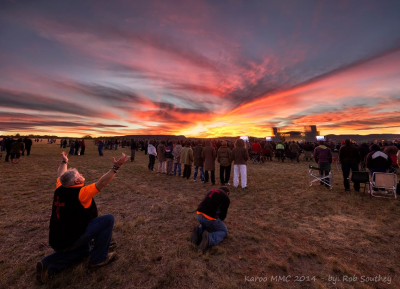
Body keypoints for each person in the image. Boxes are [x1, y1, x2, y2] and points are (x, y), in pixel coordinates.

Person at [36, 151, 129, 284]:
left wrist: (64, 162)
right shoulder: (81, 192)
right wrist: (115, 167)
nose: (82, 175)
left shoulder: (60, 187)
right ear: (76, 181)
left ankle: (47, 264)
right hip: (71, 238)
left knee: (85, 250)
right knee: (108, 219)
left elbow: (61, 174)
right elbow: (101, 183)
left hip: (57, 240)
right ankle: (99, 259)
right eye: (79, 174)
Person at [191, 186, 230, 252]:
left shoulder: (211, 191)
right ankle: (210, 239)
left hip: (198, 215)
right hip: (209, 219)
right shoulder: (226, 197)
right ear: (227, 193)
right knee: (224, 231)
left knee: (206, 225)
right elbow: (223, 214)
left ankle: (199, 232)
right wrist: (219, 221)